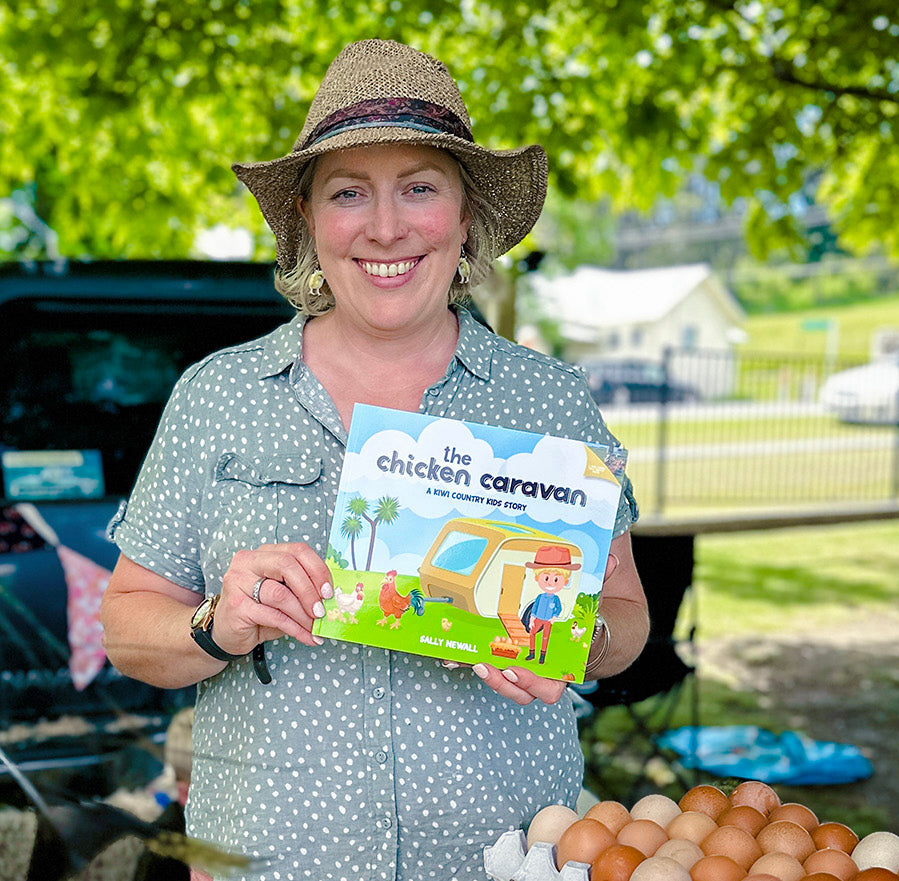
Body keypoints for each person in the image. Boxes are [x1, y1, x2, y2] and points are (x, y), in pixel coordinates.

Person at [100, 39, 649, 880]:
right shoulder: (217, 395)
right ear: (310, 221)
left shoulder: (548, 400)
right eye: (349, 192)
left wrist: (572, 637)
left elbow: (627, 617)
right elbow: (128, 625)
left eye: (419, 187)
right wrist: (215, 622)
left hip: (503, 859)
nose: (385, 227)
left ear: (465, 218)